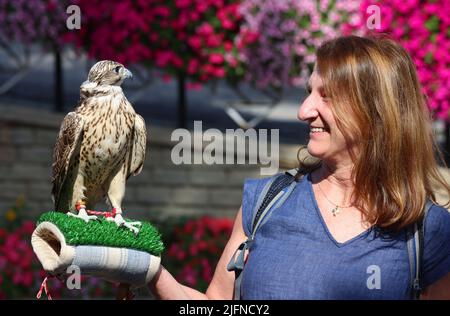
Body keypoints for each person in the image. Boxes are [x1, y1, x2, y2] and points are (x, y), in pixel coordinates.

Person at [148, 35, 450, 299]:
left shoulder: (426, 230)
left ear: (376, 112)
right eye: (309, 92)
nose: (303, 110)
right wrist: (151, 273)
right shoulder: (267, 200)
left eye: (327, 97)